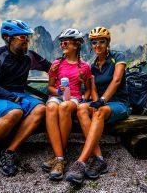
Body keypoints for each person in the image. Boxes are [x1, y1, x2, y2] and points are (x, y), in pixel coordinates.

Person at [0, 19, 51, 177]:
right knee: (15, 112)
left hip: (19, 94)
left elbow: (51, 67)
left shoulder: (29, 56)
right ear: (8, 38)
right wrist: (13, 99)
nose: (27, 41)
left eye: (27, 37)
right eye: (22, 37)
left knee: (41, 109)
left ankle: (9, 151)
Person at [66, 27, 131, 184]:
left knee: (99, 111)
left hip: (119, 103)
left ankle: (81, 161)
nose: (97, 45)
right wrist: (96, 101)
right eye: (94, 42)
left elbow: (116, 81)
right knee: (82, 109)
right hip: (102, 102)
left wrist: (102, 101)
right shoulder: (93, 65)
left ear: (107, 43)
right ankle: (100, 158)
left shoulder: (117, 57)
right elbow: (93, 88)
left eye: (101, 41)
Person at [41, 28, 92, 180]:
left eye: (66, 42)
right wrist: (59, 91)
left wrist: (83, 100)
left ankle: (58, 158)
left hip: (75, 98)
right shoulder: (56, 64)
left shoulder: (84, 66)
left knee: (64, 107)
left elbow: (88, 89)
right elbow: (49, 87)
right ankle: (60, 158)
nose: (62, 44)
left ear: (76, 45)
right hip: (58, 96)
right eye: (61, 42)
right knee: (50, 106)